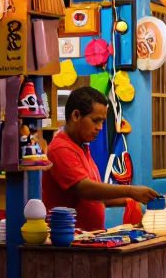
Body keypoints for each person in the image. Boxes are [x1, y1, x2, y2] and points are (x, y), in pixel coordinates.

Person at [42, 86, 158, 230]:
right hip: (69, 240)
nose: (100, 127)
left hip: (88, 238)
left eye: (102, 121)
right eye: (96, 120)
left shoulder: (83, 147)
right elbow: (83, 189)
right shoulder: (61, 148)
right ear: (76, 115)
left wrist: (130, 200)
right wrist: (131, 190)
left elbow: (93, 197)